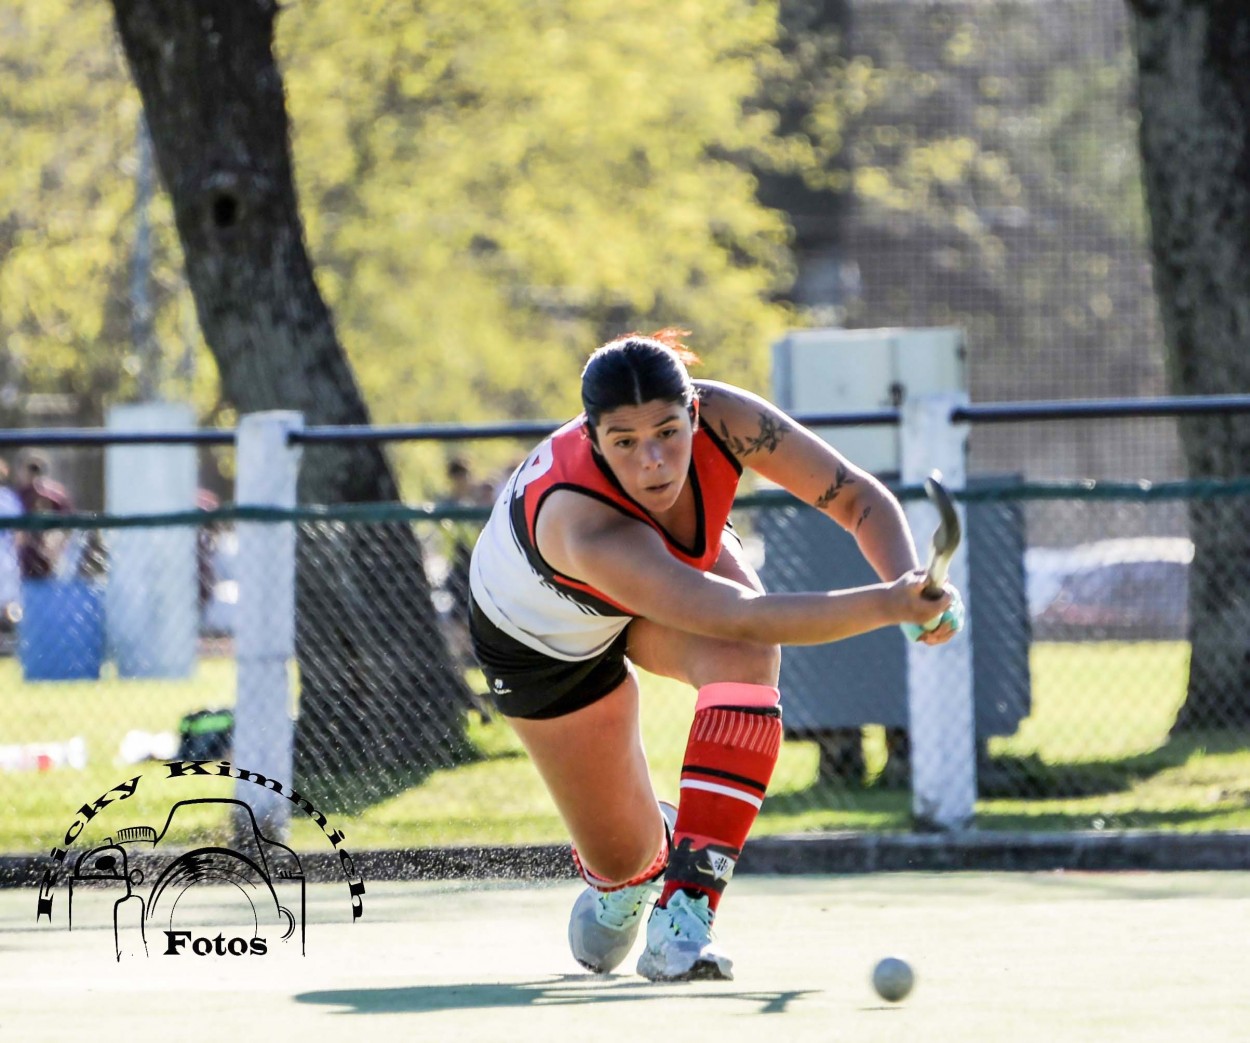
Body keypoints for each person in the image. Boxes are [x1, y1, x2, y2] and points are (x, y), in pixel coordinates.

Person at [468, 329, 963, 982]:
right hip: (541, 644)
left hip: (666, 572)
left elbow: (857, 498)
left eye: (669, 432)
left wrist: (913, 587)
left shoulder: (731, 419)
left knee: (745, 660)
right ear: (592, 439)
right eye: (624, 442)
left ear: (695, 413)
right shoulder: (584, 525)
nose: (654, 462)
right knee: (621, 870)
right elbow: (740, 614)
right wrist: (890, 606)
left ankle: (686, 913)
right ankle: (639, 865)